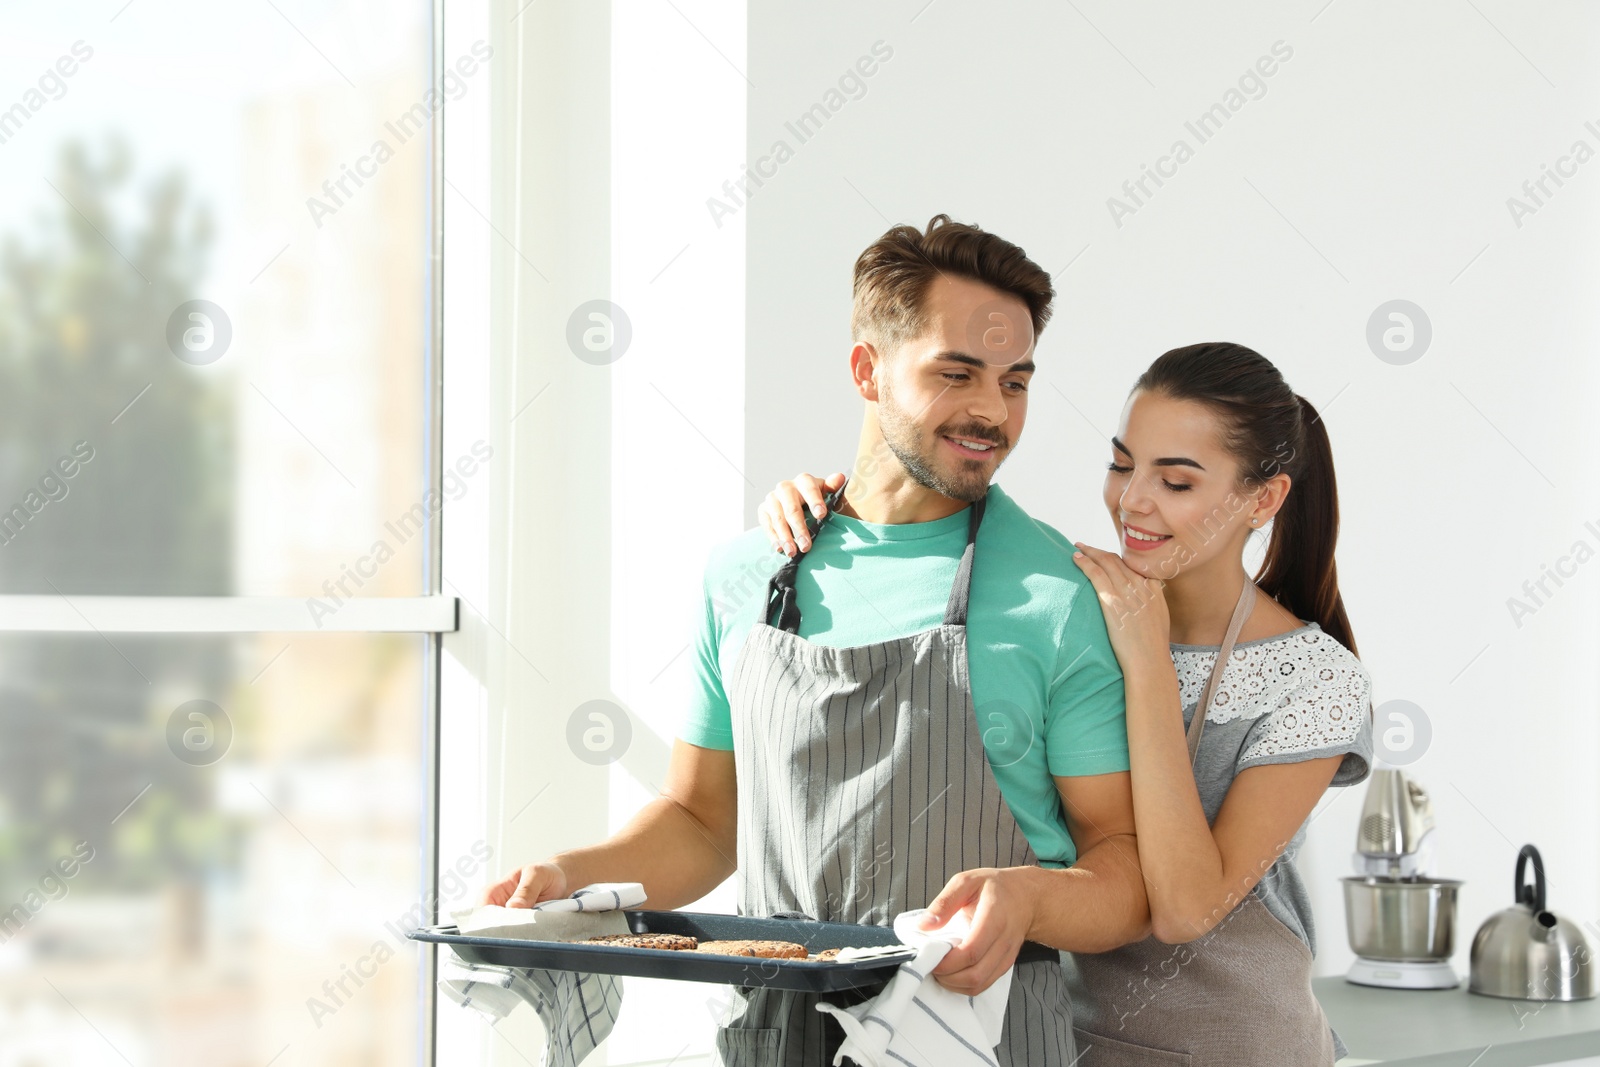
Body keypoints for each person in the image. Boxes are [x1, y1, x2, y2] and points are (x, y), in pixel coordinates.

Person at [481, 215, 1152, 1066]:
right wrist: (566, 876)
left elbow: (1125, 868)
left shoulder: (1057, 594)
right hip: (772, 1039)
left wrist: (1028, 898)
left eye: (1015, 381)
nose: (993, 411)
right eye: (958, 373)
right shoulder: (746, 575)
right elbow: (700, 820)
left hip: (980, 1038)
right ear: (867, 370)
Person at [759, 342, 1375, 1065]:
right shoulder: (1073, 605)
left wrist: (1146, 661)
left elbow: (1185, 906)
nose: (1132, 500)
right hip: (1063, 1040)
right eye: (1122, 464)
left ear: (1262, 499)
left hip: (1238, 1046)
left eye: (1175, 481)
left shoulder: (1318, 680)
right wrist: (830, 518)